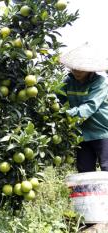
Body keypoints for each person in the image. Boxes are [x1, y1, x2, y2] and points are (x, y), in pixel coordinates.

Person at [59, 42, 108, 173]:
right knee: (85, 171)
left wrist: (64, 114)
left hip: (103, 132)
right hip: (82, 134)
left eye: (80, 68)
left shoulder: (100, 82)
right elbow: (56, 98)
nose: (76, 71)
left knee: (106, 167)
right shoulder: (68, 82)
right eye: (74, 67)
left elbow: (90, 106)